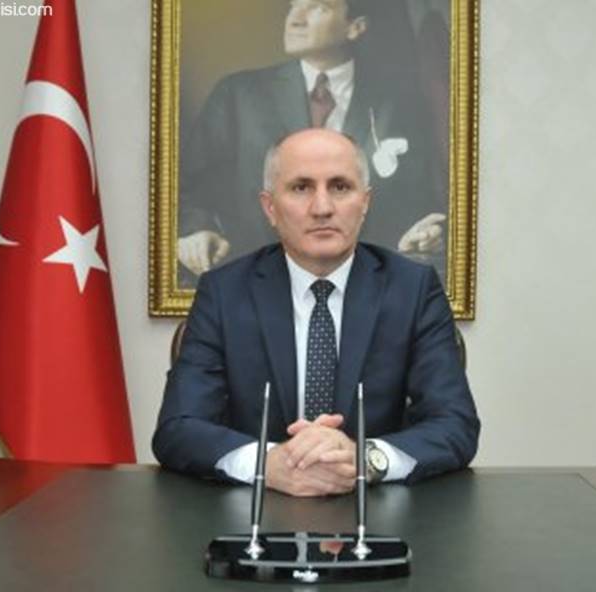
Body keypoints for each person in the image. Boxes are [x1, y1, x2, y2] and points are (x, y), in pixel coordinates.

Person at [154, 128, 479, 497]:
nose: (322, 207)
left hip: (376, 515)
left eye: (340, 187)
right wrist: (268, 463)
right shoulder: (223, 293)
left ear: (365, 202)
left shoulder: (413, 290)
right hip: (254, 515)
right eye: (301, 187)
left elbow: (455, 425)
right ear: (270, 207)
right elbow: (178, 428)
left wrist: (363, 459)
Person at [176, 0, 447, 285]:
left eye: (318, 7)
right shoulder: (239, 95)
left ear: (355, 27)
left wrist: (428, 230)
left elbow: (428, 194)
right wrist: (196, 230)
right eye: (293, 5)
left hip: (367, 286)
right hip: (256, 283)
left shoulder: (399, 102)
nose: (295, 19)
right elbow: (189, 187)